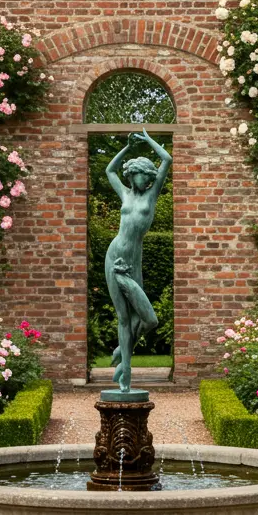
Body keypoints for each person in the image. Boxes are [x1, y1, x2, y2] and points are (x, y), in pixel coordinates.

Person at [104, 127, 172, 392]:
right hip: (114, 257)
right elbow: (110, 171)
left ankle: (123, 348)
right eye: (138, 175)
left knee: (147, 320)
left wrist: (147, 140)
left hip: (134, 261)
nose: (143, 179)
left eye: (146, 175)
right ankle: (126, 374)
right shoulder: (125, 194)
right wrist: (127, 149)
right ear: (132, 177)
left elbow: (166, 159)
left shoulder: (152, 195)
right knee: (123, 317)